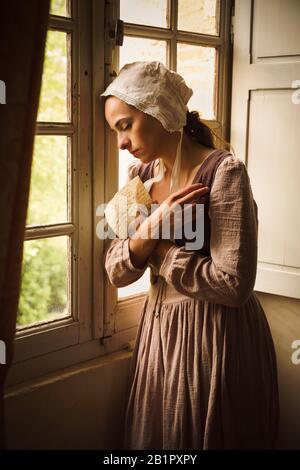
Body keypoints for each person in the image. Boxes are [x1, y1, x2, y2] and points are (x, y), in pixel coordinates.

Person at [100, 61, 279, 450]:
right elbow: (115, 267)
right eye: (116, 130)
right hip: (160, 334)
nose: (121, 142)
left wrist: (158, 251)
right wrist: (150, 227)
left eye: (125, 125)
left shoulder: (224, 173)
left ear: (158, 110)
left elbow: (233, 285)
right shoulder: (139, 178)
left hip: (216, 335)